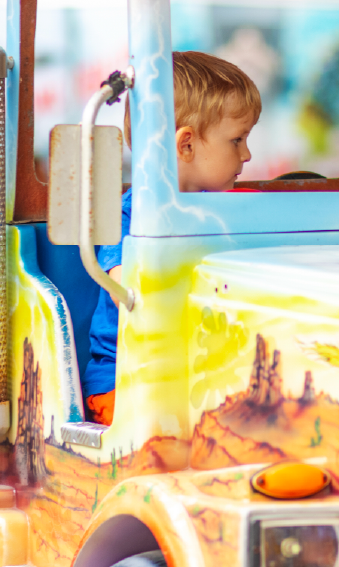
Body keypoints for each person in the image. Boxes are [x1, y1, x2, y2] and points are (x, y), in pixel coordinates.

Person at [82, 50, 262, 425]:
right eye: (236, 140)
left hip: (200, 373)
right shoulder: (133, 214)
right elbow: (129, 292)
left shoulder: (226, 212)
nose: (247, 154)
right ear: (186, 145)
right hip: (129, 380)